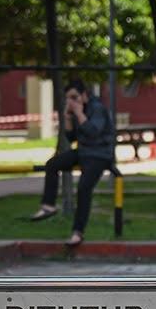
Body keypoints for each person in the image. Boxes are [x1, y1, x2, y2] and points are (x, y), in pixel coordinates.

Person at [28, 79, 116, 246]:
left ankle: (77, 233)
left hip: (100, 154)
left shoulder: (97, 108)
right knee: (52, 164)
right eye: (68, 98)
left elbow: (92, 132)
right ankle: (48, 205)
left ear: (84, 95)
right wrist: (68, 117)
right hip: (83, 151)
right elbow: (72, 137)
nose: (72, 101)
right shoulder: (77, 110)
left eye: (74, 97)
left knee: (83, 188)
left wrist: (79, 113)